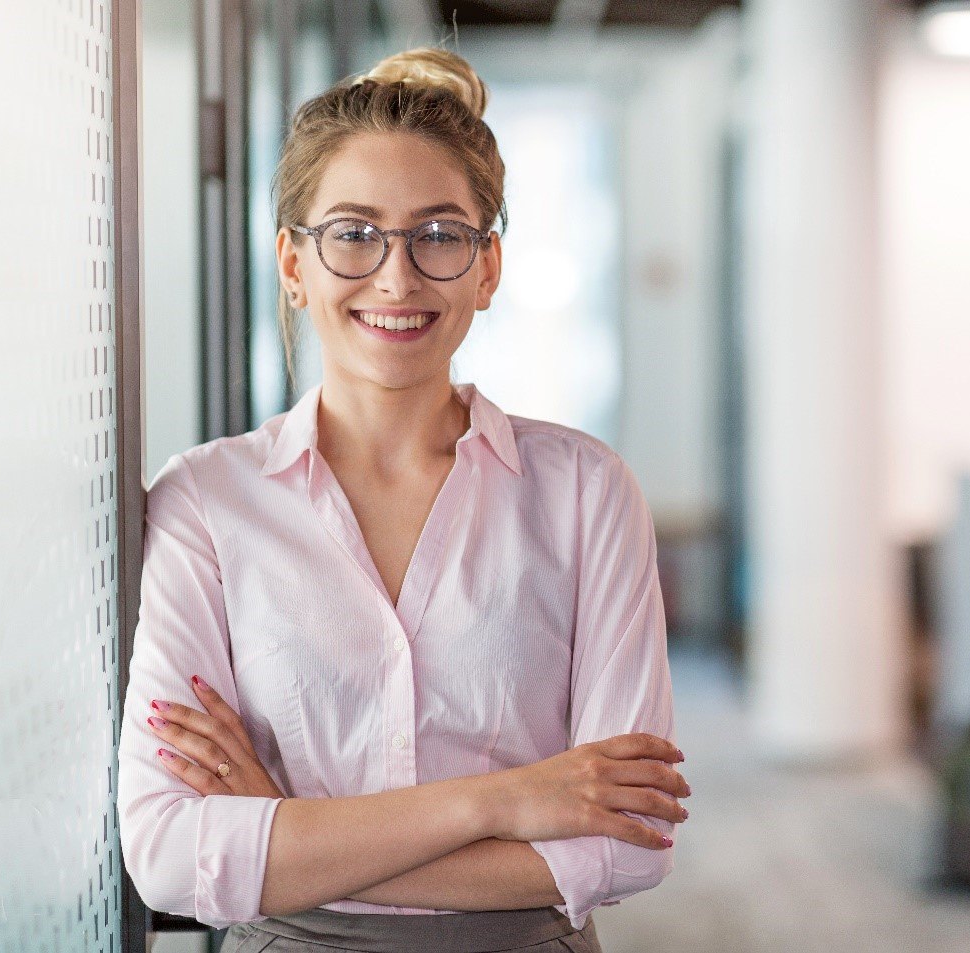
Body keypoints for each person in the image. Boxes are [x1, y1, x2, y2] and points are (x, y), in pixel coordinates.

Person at [115, 46, 688, 953]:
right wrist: (503, 802)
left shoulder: (586, 492)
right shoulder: (207, 503)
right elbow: (170, 853)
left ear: (487, 266)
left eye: (439, 234)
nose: (397, 276)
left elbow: (627, 845)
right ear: (293, 264)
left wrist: (287, 825)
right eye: (352, 232)